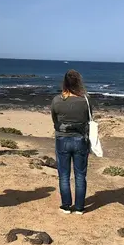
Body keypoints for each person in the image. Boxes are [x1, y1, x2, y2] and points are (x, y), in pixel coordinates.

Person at [51, 70, 92, 215]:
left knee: (64, 174)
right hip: (80, 139)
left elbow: (55, 120)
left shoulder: (57, 100)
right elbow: (89, 118)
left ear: (65, 83)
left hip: (62, 139)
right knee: (80, 175)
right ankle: (79, 207)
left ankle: (66, 205)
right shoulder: (85, 100)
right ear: (79, 82)